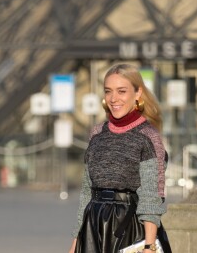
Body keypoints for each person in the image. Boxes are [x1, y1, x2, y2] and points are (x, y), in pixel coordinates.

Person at [69, 63, 171, 253]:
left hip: (130, 229)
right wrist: (76, 241)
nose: (113, 98)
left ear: (138, 93)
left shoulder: (148, 136)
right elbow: (86, 193)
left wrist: (149, 246)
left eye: (121, 91)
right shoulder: (97, 133)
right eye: (108, 91)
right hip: (93, 225)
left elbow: (151, 196)